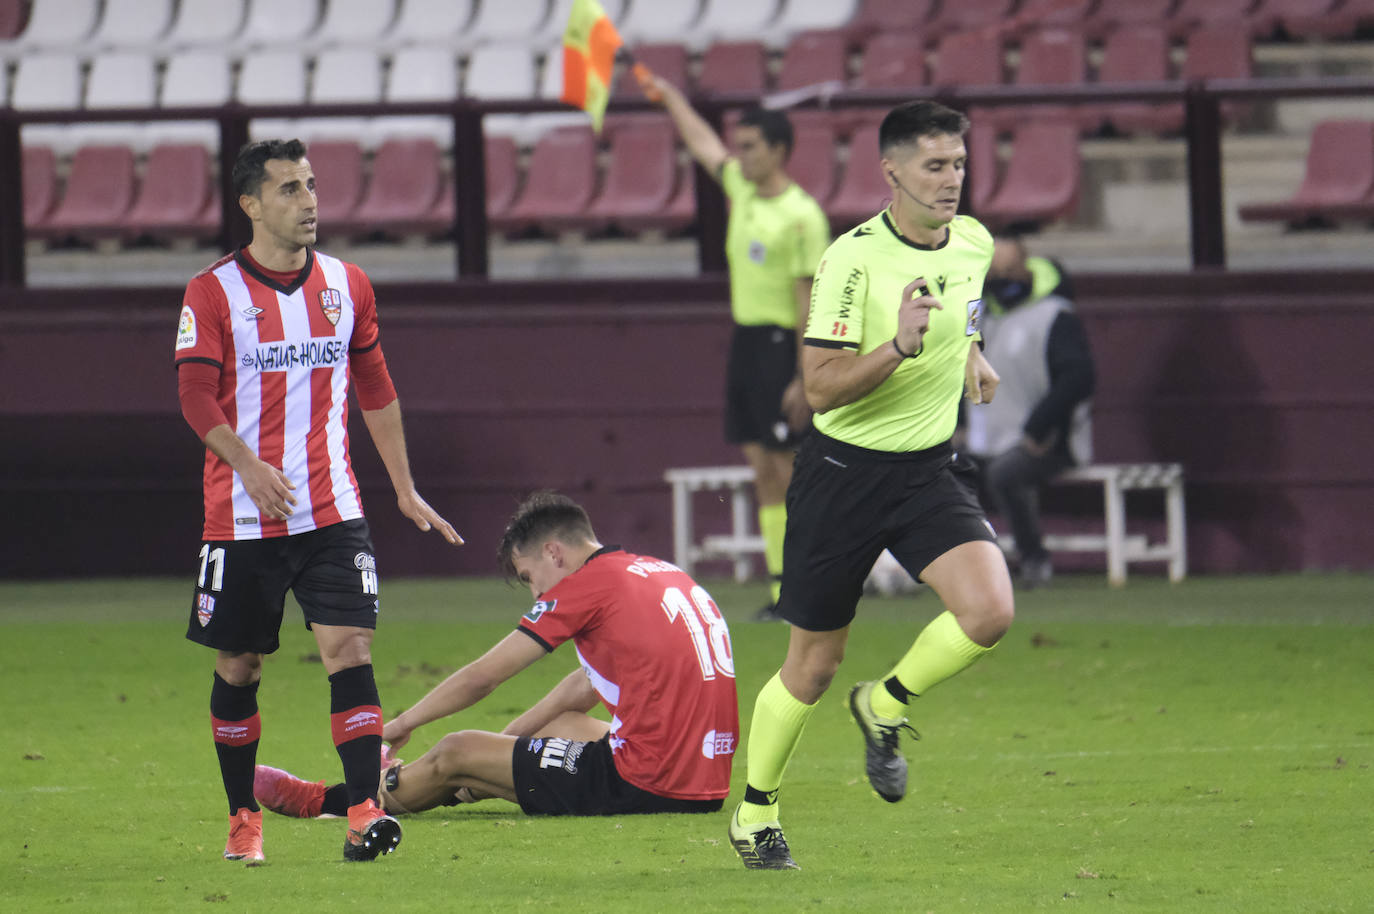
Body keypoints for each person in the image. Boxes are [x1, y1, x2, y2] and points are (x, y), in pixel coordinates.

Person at [725, 100, 1015, 870]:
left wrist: (970, 357)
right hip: (843, 476)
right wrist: (898, 346)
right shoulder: (851, 261)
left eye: (958, 163)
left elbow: (965, 316)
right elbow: (819, 389)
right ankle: (756, 813)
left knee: (989, 612)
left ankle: (884, 705)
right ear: (891, 171)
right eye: (934, 165)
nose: (951, 179)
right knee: (812, 667)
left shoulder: (975, 242)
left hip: (927, 471)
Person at [174, 138, 462, 864]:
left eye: (310, 186)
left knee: (351, 648)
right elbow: (194, 394)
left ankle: (363, 812)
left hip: (333, 509)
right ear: (250, 204)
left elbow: (376, 387)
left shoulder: (348, 284)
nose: (309, 202)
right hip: (242, 517)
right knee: (239, 666)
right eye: (289, 190)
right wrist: (247, 465)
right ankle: (245, 814)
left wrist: (402, 487)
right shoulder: (212, 292)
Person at [253, 491, 739, 821]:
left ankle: (333, 801)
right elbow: (584, 686)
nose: (535, 594)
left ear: (554, 553)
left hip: (649, 781)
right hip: (706, 777)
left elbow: (483, 678)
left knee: (456, 749)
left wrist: (404, 724)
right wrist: (507, 746)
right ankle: (464, 775)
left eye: (529, 577)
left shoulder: (587, 586)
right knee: (553, 727)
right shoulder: (654, 570)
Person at [638, 69, 831, 619]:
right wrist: (672, 97)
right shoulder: (742, 190)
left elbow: (807, 299)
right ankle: (780, 587)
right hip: (746, 342)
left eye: (750, 147)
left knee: (790, 469)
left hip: (779, 345)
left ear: (778, 150)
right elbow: (703, 144)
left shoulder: (802, 215)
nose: (739, 155)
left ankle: (807, 585)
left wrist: (804, 373)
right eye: (739, 146)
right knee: (761, 468)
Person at [964, 234, 1095, 588]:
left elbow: (1079, 378)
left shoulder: (1055, 315)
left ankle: (1034, 558)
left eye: (1010, 270)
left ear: (1027, 267)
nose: (1002, 280)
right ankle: (958, 564)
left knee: (1007, 474)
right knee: (933, 467)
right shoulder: (979, 314)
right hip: (986, 436)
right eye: (994, 272)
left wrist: (1039, 429)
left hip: (1047, 441)